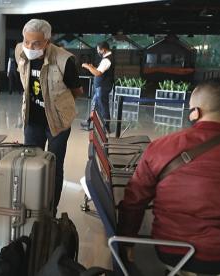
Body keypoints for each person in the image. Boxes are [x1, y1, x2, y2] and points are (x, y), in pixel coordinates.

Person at [118, 79, 220, 276]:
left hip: (172, 251)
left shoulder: (163, 146)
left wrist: (127, 241)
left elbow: (134, 201)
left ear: (195, 113)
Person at [15, 19, 83, 216]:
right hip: (33, 119)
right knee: (30, 162)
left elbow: (77, 91)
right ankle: (32, 205)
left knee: (53, 165)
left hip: (58, 122)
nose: (30, 47)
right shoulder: (21, 51)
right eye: (27, 41)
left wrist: (57, 102)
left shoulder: (64, 60)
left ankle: (50, 209)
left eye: (36, 43)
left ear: (47, 40)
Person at [81, 41, 115, 132]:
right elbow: (99, 70)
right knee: (94, 105)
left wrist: (87, 67)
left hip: (103, 87)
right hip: (101, 87)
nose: (98, 52)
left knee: (103, 106)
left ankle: (106, 126)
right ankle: (89, 122)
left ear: (103, 50)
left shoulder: (107, 60)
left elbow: (97, 73)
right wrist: (93, 67)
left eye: (98, 50)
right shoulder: (107, 59)